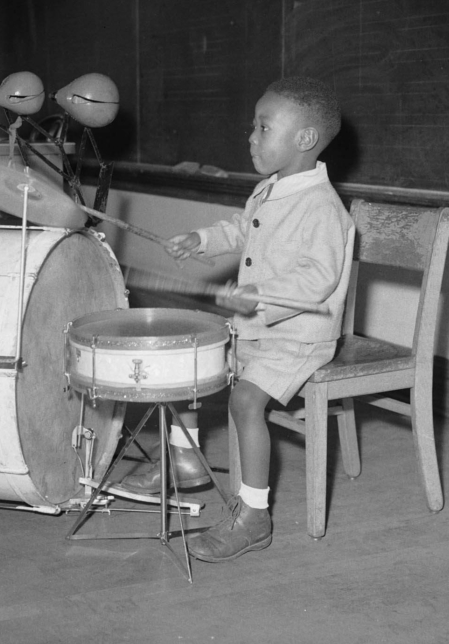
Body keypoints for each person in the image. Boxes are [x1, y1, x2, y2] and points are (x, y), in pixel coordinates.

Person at [120, 76, 355, 562]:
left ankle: (254, 516)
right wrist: (202, 240)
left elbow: (318, 278)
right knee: (187, 363)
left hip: (297, 339)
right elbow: (240, 229)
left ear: (305, 139)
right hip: (252, 331)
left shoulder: (324, 208)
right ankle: (184, 461)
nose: (251, 137)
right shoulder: (269, 189)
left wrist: (261, 296)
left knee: (246, 403)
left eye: (263, 127)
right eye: (254, 126)